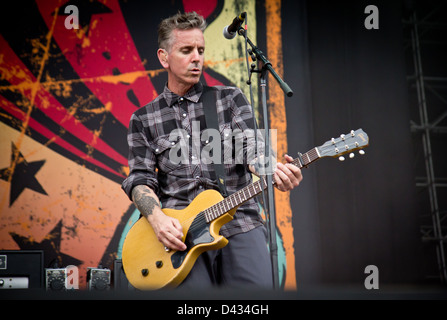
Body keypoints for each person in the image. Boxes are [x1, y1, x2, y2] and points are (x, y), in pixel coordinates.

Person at [121, 11, 302, 289]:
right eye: (186, 50)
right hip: (180, 235)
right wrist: (157, 220)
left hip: (238, 222)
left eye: (200, 50)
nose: (197, 57)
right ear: (163, 57)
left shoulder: (229, 99)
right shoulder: (144, 119)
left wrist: (272, 167)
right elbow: (140, 179)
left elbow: (252, 147)